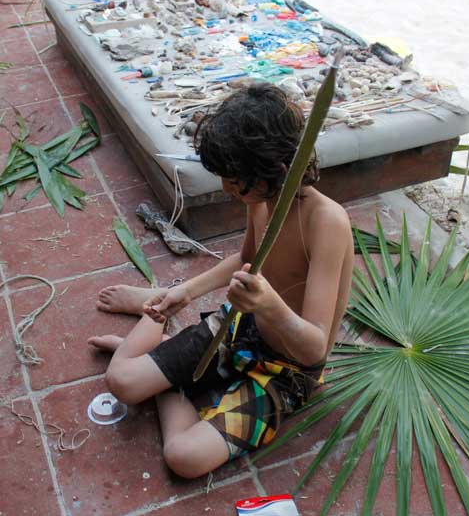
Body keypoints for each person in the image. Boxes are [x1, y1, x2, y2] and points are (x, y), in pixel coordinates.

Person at [89, 83, 354, 478]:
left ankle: (163, 359)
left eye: (234, 179)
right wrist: (185, 291)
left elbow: (314, 347)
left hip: (286, 370)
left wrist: (268, 305)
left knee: (183, 457)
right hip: (239, 327)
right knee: (121, 382)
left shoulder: (326, 222)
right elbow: (247, 259)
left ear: (274, 170)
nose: (227, 188)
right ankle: (159, 323)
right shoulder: (260, 199)